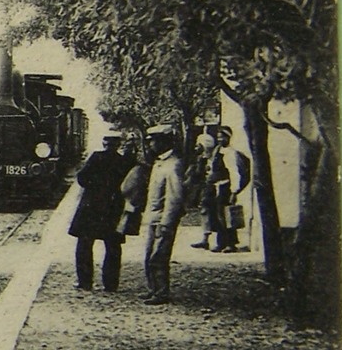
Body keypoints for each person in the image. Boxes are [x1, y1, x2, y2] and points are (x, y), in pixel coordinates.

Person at [68, 134, 132, 292]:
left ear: (104, 143)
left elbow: (82, 178)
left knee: (84, 244)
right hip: (113, 207)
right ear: (118, 144)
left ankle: (85, 282)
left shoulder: (96, 157)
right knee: (113, 246)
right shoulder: (124, 161)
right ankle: (111, 284)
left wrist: (95, 187)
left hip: (91, 207)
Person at [141, 125, 187, 305]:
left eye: (153, 141)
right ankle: (153, 288)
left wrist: (167, 222)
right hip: (153, 218)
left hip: (162, 219)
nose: (151, 144)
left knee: (158, 257)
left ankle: (161, 292)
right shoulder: (160, 162)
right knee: (149, 255)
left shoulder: (174, 164)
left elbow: (175, 197)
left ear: (163, 141)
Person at [188, 132, 230, 251]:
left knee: (220, 215)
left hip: (219, 187)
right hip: (208, 187)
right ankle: (205, 239)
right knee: (206, 211)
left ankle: (224, 242)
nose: (196, 147)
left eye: (199, 145)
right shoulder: (202, 158)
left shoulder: (219, 154)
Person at [214, 126, 252, 252]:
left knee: (227, 216)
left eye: (222, 137)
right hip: (218, 186)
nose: (220, 140)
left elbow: (234, 173)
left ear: (228, 137)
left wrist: (234, 191)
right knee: (219, 216)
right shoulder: (218, 151)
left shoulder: (231, 153)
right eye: (218, 137)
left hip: (227, 187)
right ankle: (221, 242)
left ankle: (231, 243)